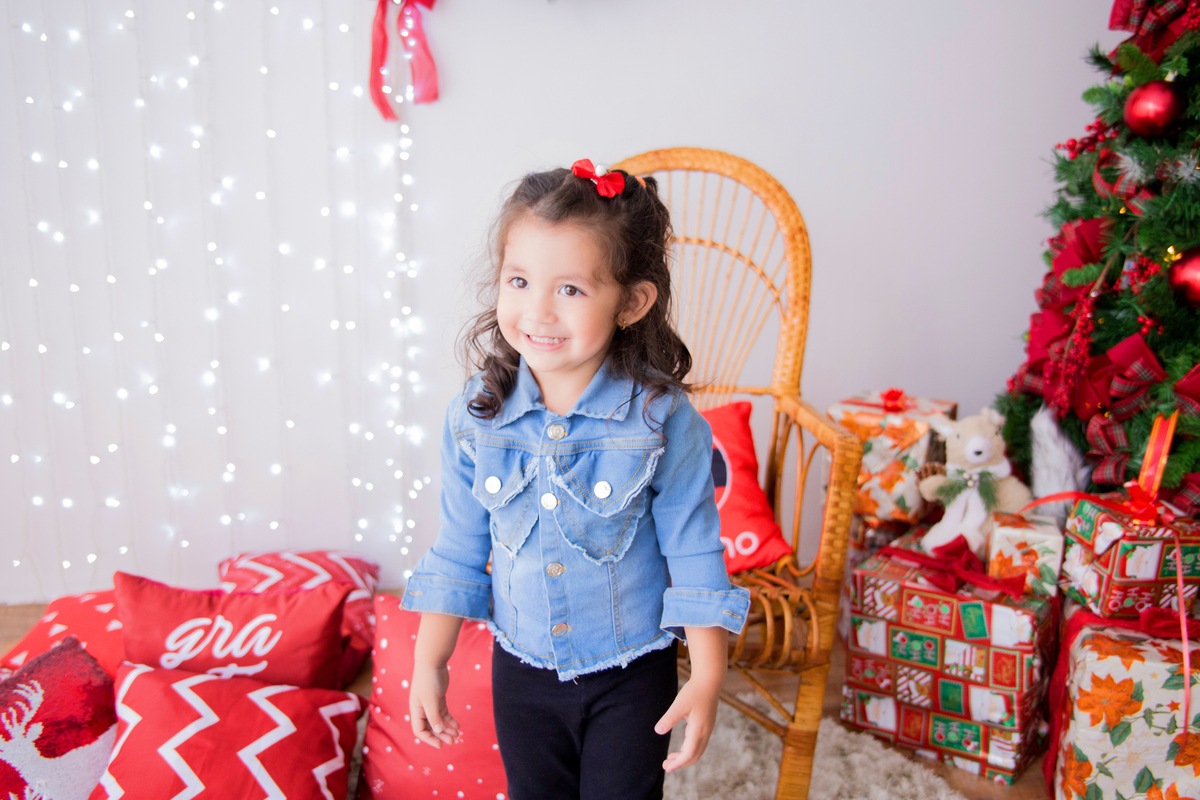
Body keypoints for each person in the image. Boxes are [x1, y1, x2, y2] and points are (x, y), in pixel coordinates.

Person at [400, 159, 751, 800]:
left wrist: (706, 674)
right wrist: (428, 663)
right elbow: (456, 548)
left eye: (570, 290)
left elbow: (695, 551)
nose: (537, 310)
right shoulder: (475, 418)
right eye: (519, 280)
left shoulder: (664, 422)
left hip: (632, 670)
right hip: (522, 671)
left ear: (632, 301)